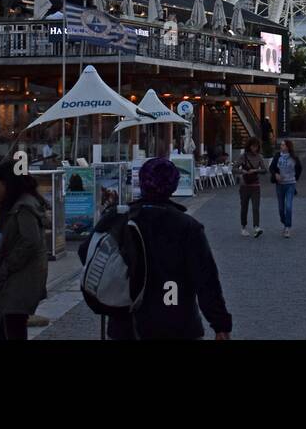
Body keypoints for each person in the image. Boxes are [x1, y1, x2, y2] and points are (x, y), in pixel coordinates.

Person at [103, 157, 232, 340]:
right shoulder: (188, 226)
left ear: (142, 182)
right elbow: (206, 280)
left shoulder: (120, 219)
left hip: (126, 323)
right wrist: (220, 324)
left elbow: (88, 254)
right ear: (174, 186)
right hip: (176, 322)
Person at [0, 158, 51, 340]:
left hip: (21, 279)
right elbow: (5, 229)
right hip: (20, 278)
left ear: (8, 182)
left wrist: (9, 265)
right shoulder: (16, 204)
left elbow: (30, 241)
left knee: (12, 329)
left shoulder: (24, 207)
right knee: (5, 328)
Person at [269, 139, 302, 237]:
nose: (281, 146)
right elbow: (271, 167)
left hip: (290, 184)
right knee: (281, 208)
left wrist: (295, 178)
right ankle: (284, 221)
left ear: (288, 147)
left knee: (288, 206)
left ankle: (287, 227)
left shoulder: (294, 158)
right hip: (279, 185)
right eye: (281, 145)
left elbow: (299, 168)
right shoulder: (277, 156)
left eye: (283, 145)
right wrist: (275, 174)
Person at [237, 137, 268, 238]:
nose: (255, 148)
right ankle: (243, 227)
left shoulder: (259, 157)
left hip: (255, 185)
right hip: (244, 185)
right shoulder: (243, 156)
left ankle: (256, 227)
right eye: (253, 146)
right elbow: (234, 168)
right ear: (249, 146)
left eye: (257, 146)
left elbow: (264, 170)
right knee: (244, 207)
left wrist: (255, 171)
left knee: (256, 207)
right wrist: (242, 171)